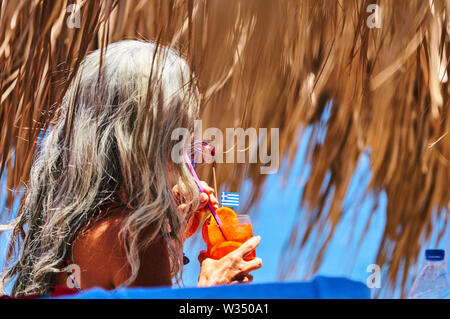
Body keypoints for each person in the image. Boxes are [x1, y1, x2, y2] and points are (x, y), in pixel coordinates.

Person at [0, 40, 262, 297]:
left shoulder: (65, 221)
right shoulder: (138, 236)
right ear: (147, 137)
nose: (190, 139)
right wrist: (210, 291)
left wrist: (173, 235)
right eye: (180, 125)